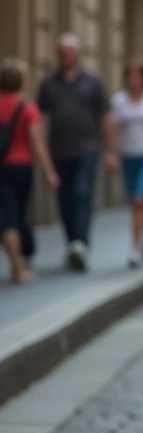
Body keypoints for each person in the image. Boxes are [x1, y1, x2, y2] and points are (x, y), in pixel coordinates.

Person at [36, 33, 119, 271]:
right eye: (61, 53)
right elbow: (38, 116)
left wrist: (111, 151)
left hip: (88, 148)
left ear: (78, 54)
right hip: (58, 151)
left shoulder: (93, 81)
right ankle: (72, 242)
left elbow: (106, 117)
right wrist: (40, 150)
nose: (65, 56)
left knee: (82, 194)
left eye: (69, 52)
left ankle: (81, 244)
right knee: (64, 199)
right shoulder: (49, 83)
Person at [0, 58, 59, 283]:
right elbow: (37, 142)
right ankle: (18, 268)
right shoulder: (27, 108)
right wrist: (49, 171)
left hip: (2, 167)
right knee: (16, 215)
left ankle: (20, 261)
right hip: (22, 167)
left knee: (9, 212)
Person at [111, 58, 143, 268]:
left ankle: (135, 249)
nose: (134, 80)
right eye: (130, 75)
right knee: (140, 201)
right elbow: (112, 127)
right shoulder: (119, 100)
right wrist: (112, 153)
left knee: (139, 201)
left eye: (138, 75)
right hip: (128, 156)